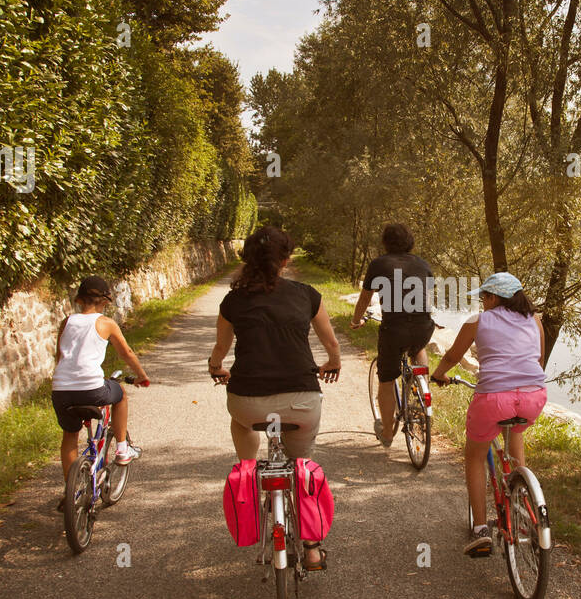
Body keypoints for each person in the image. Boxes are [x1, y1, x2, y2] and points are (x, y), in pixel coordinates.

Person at [209, 226, 341, 570]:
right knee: (302, 468)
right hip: (301, 401)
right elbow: (332, 345)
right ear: (286, 260)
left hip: (249, 401)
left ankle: (248, 468)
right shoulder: (307, 294)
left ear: (247, 259)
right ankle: (312, 548)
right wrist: (333, 364)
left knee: (241, 422)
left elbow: (220, 350)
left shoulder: (232, 300)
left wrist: (215, 367)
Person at [431, 272, 546, 557]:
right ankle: (521, 500)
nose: (482, 302)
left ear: (493, 297)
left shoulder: (478, 322)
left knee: (475, 456)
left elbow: (451, 357)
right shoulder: (535, 320)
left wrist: (439, 374)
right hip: (533, 397)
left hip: (494, 398)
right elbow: (538, 359)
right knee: (515, 432)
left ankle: (481, 529)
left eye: (484, 297)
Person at [51, 276, 151, 506]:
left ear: (79, 299)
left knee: (69, 437)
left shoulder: (66, 322)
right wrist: (142, 376)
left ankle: (71, 494)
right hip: (91, 389)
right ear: (105, 300)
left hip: (61, 389)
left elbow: (60, 357)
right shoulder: (105, 323)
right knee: (121, 395)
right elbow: (126, 353)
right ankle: (123, 450)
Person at [350, 223, 435, 446]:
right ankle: (421, 387)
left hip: (394, 329)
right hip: (424, 326)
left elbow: (365, 297)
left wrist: (356, 319)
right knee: (418, 348)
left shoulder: (379, 264)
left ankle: (387, 433)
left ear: (385, 242)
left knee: (387, 379)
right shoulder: (422, 264)